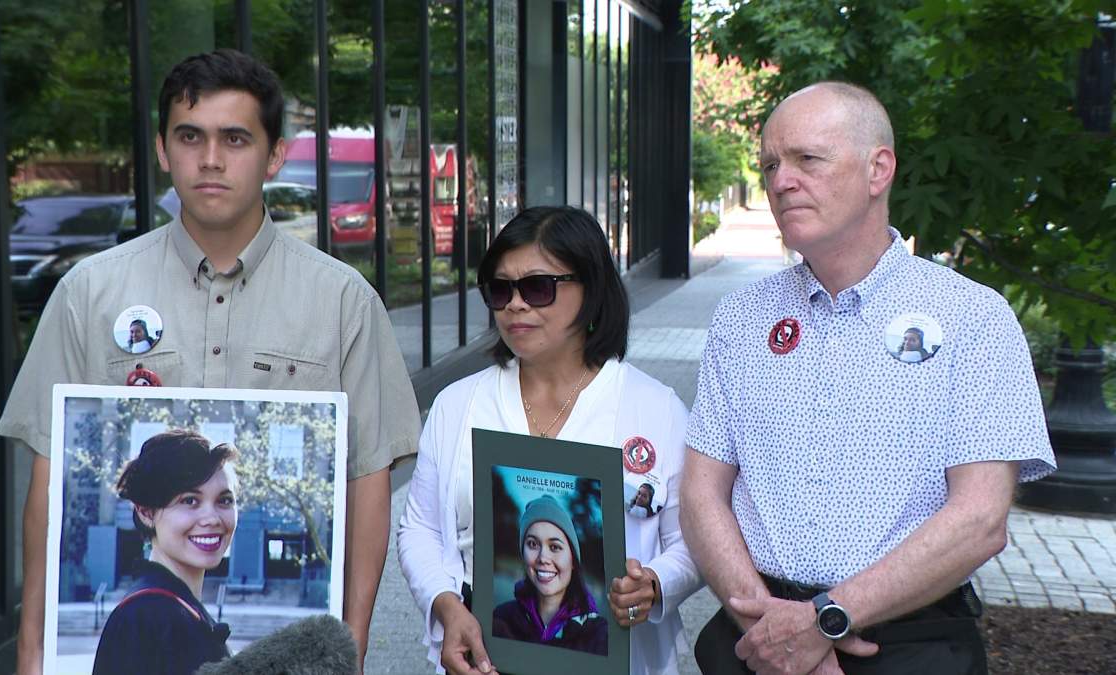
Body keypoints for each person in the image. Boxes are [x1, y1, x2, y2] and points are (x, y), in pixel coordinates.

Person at [0, 49, 421, 674]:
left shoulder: (344, 301)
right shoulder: (89, 293)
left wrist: (346, 655)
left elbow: (367, 485)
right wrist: (32, 654)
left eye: (236, 138)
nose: (211, 159)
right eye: (190, 137)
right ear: (165, 150)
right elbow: (49, 484)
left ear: (275, 154)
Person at [681, 81, 1056, 675]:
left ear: (879, 168)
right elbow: (702, 493)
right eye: (771, 164)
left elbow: (982, 521)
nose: (781, 181)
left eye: (808, 158)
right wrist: (773, 631)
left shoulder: (972, 317)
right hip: (754, 638)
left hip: (908, 645)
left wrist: (828, 620)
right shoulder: (742, 317)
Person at [398, 206, 702, 675]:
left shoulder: (655, 409)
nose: (516, 305)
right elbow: (419, 529)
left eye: (538, 287)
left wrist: (656, 584)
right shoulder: (458, 405)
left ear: (592, 288)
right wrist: (444, 604)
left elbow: (695, 541)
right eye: (500, 290)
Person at [93, 430, 237, 675]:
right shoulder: (146, 617)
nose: (212, 518)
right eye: (190, 500)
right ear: (146, 512)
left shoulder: (175, 609)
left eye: (224, 501)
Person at [491, 495, 608, 655]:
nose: (543, 558)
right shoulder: (501, 619)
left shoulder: (599, 634)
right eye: (532, 544)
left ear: (573, 560)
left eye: (554, 547)